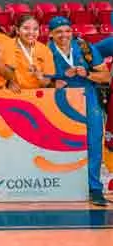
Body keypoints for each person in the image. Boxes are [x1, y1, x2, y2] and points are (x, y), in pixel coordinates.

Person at [46, 16, 111, 207]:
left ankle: (95, 188)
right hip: (58, 99)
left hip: (87, 96)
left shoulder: (85, 48)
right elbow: (36, 78)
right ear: (50, 34)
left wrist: (88, 74)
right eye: (58, 32)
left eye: (67, 31)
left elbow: (106, 76)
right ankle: (59, 184)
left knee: (93, 141)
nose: (64, 35)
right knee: (56, 142)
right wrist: (52, 82)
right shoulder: (44, 51)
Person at [10, 15, 54, 91]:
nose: (31, 32)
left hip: (36, 95)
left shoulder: (45, 50)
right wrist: (9, 82)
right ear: (17, 30)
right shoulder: (7, 46)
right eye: (26, 28)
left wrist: (41, 78)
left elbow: (47, 82)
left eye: (35, 29)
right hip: (13, 94)